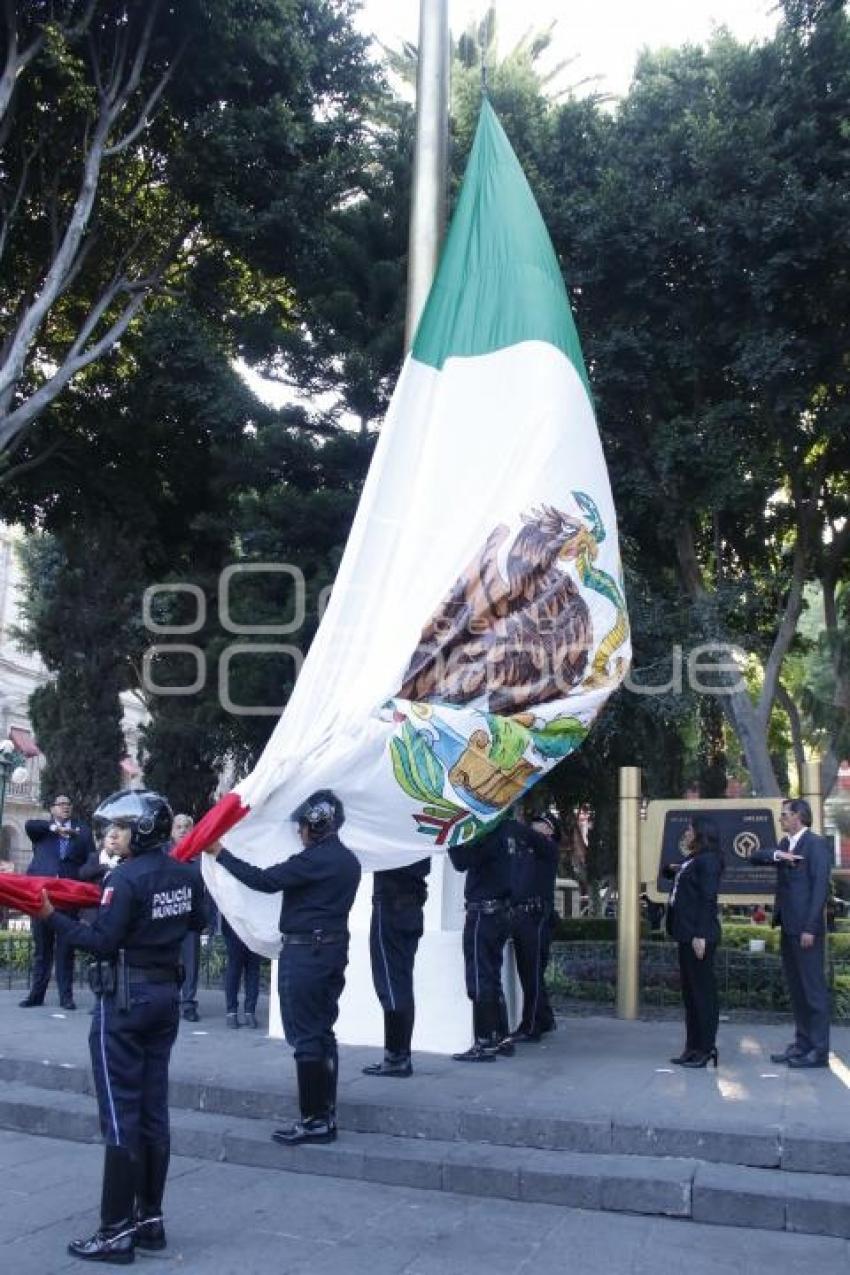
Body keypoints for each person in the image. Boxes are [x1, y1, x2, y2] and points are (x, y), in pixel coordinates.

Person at [34, 789, 206, 1264]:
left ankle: (115, 1232)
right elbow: (200, 918)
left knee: (120, 1115)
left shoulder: (125, 879)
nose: (114, 836)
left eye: (122, 828)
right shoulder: (185, 873)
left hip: (126, 1002)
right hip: (166, 998)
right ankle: (150, 1220)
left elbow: (101, 941)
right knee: (153, 1111)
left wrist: (51, 918)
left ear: (143, 830)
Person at [203, 789, 360, 1145]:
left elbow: (264, 880)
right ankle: (326, 1113)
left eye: (303, 825)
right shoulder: (347, 860)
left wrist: (221, 854)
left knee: (306, 1037)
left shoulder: (314, 860)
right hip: (332, 951)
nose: (299, 832)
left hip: (306, 954)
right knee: (322, 1032)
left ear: (315, 825)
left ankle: (313, 1120)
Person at [751, 797, 832, 1068]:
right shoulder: (786, 845)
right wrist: (778, 855)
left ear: (799, 816)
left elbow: (820, 889)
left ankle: (819, 1052)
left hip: (806, 931)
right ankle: (802, 1045)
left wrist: (810, 927)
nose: (781, 819)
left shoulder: (816, 845)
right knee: (797, 991)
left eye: (785, 814)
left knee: (813, 991)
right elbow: (755, 857)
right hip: (787, 927)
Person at [448, 820, 514, 1062]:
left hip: (484, 914)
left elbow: (460, 862)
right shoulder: (507, 829)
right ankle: (501, 1037)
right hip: (499, 912)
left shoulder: (488, 832)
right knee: (491, 975)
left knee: (479, 977)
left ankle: (484, 1042)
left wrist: (452, 834)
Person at [21, 794, 94, 1010]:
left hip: (67, 898)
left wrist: (79, 880)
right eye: (61, 804)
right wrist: (55, 829)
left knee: (65, 949)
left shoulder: (83, 832)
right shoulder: (42, 831)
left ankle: (66, 997)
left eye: (68, 804)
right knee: (42, 949)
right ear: (52, 809)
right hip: (42, 896)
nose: (65, 807)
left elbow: (90, 860)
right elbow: (29, 824)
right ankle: (36, 995)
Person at [362, 857, 430, 1077]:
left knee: (390, 983)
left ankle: (396, 1057)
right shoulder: (416, 828)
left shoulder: (395, 830)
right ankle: (399, 1054)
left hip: (391, 906)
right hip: (411, 904)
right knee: (400, 982)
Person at [664, 814, 722, 1069]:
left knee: (702, 994)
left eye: (689, 830)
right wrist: (673, 870)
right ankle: (692, 1046)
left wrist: (701, 934)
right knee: (690, 994)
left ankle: (706, 1048)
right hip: (685, 933)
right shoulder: (693, 859)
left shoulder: (709, 860)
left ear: (700, 832)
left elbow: (708, 899)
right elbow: (680, 882)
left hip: (699, 935)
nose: (686, 833)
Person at [506, 812, 559, 1043]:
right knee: (530, 972)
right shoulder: (525, 851)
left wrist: (507, 820)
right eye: (534, 822)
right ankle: (544, 1018)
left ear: (550, 831)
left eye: (542, 824)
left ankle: (531, 1025)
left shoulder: (548, 848)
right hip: (521, 916)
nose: (535, 826)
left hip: (536, 917)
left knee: (532, 973)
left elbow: (525, 834)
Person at [170, 813, 204, 1023]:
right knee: (169, 963)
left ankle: (188, 1003)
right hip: (167, 919)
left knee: (190, 964)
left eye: (187, 826)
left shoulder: (201, 856)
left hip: (191, 919)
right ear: (172, 831)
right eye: (178, 826)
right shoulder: (164, 855)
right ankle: (170, 1001)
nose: (183, 830)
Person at [222, 915, 262, 1028]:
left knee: (234, 967)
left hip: (234, 920)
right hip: (253, 922)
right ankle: (249, 1013)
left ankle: (232, 1013)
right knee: (252, 969)